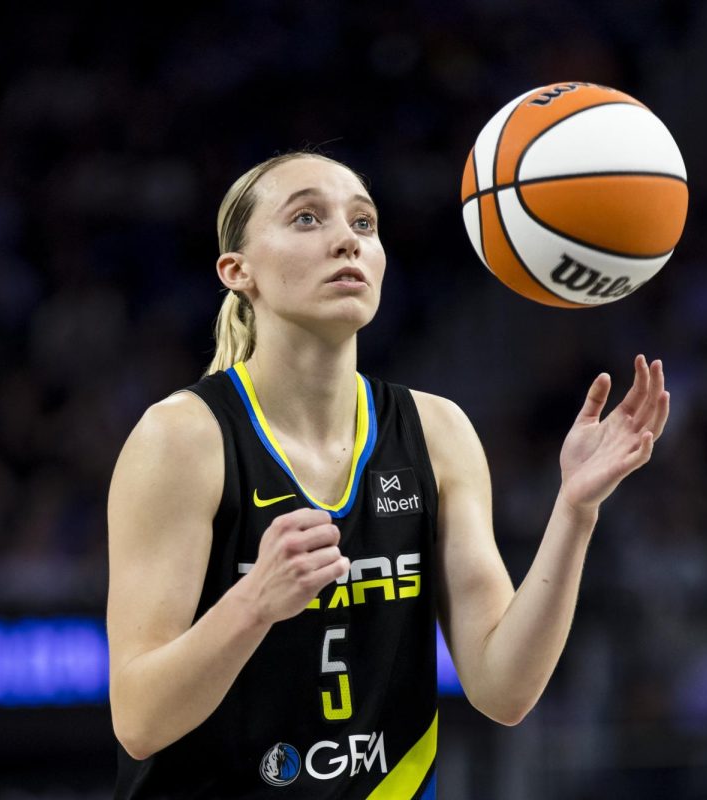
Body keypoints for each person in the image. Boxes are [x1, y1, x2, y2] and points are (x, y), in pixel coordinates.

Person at [106, 151, 671, 798]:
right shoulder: (181, 439)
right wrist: (252, 604)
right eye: (308, 218)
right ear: (239, 272)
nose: (347, 238)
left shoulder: (436, 432)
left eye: (364, 224)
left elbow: (503, 690)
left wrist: (574, 512)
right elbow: (139, 719)